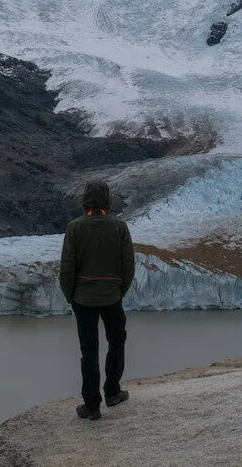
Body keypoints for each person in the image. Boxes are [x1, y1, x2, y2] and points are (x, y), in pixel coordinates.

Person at [59, 180, 135, 420]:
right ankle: (112, 392)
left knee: (89, 351)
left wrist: (71, 296)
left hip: (83, 299)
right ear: (107, 200)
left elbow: (67, 267)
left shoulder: (75, 228)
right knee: (117, 341)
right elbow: (128, 266)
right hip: (112, 296)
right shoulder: (119, 227)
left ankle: (91, 406)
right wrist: (118, 292)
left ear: (85, 200)